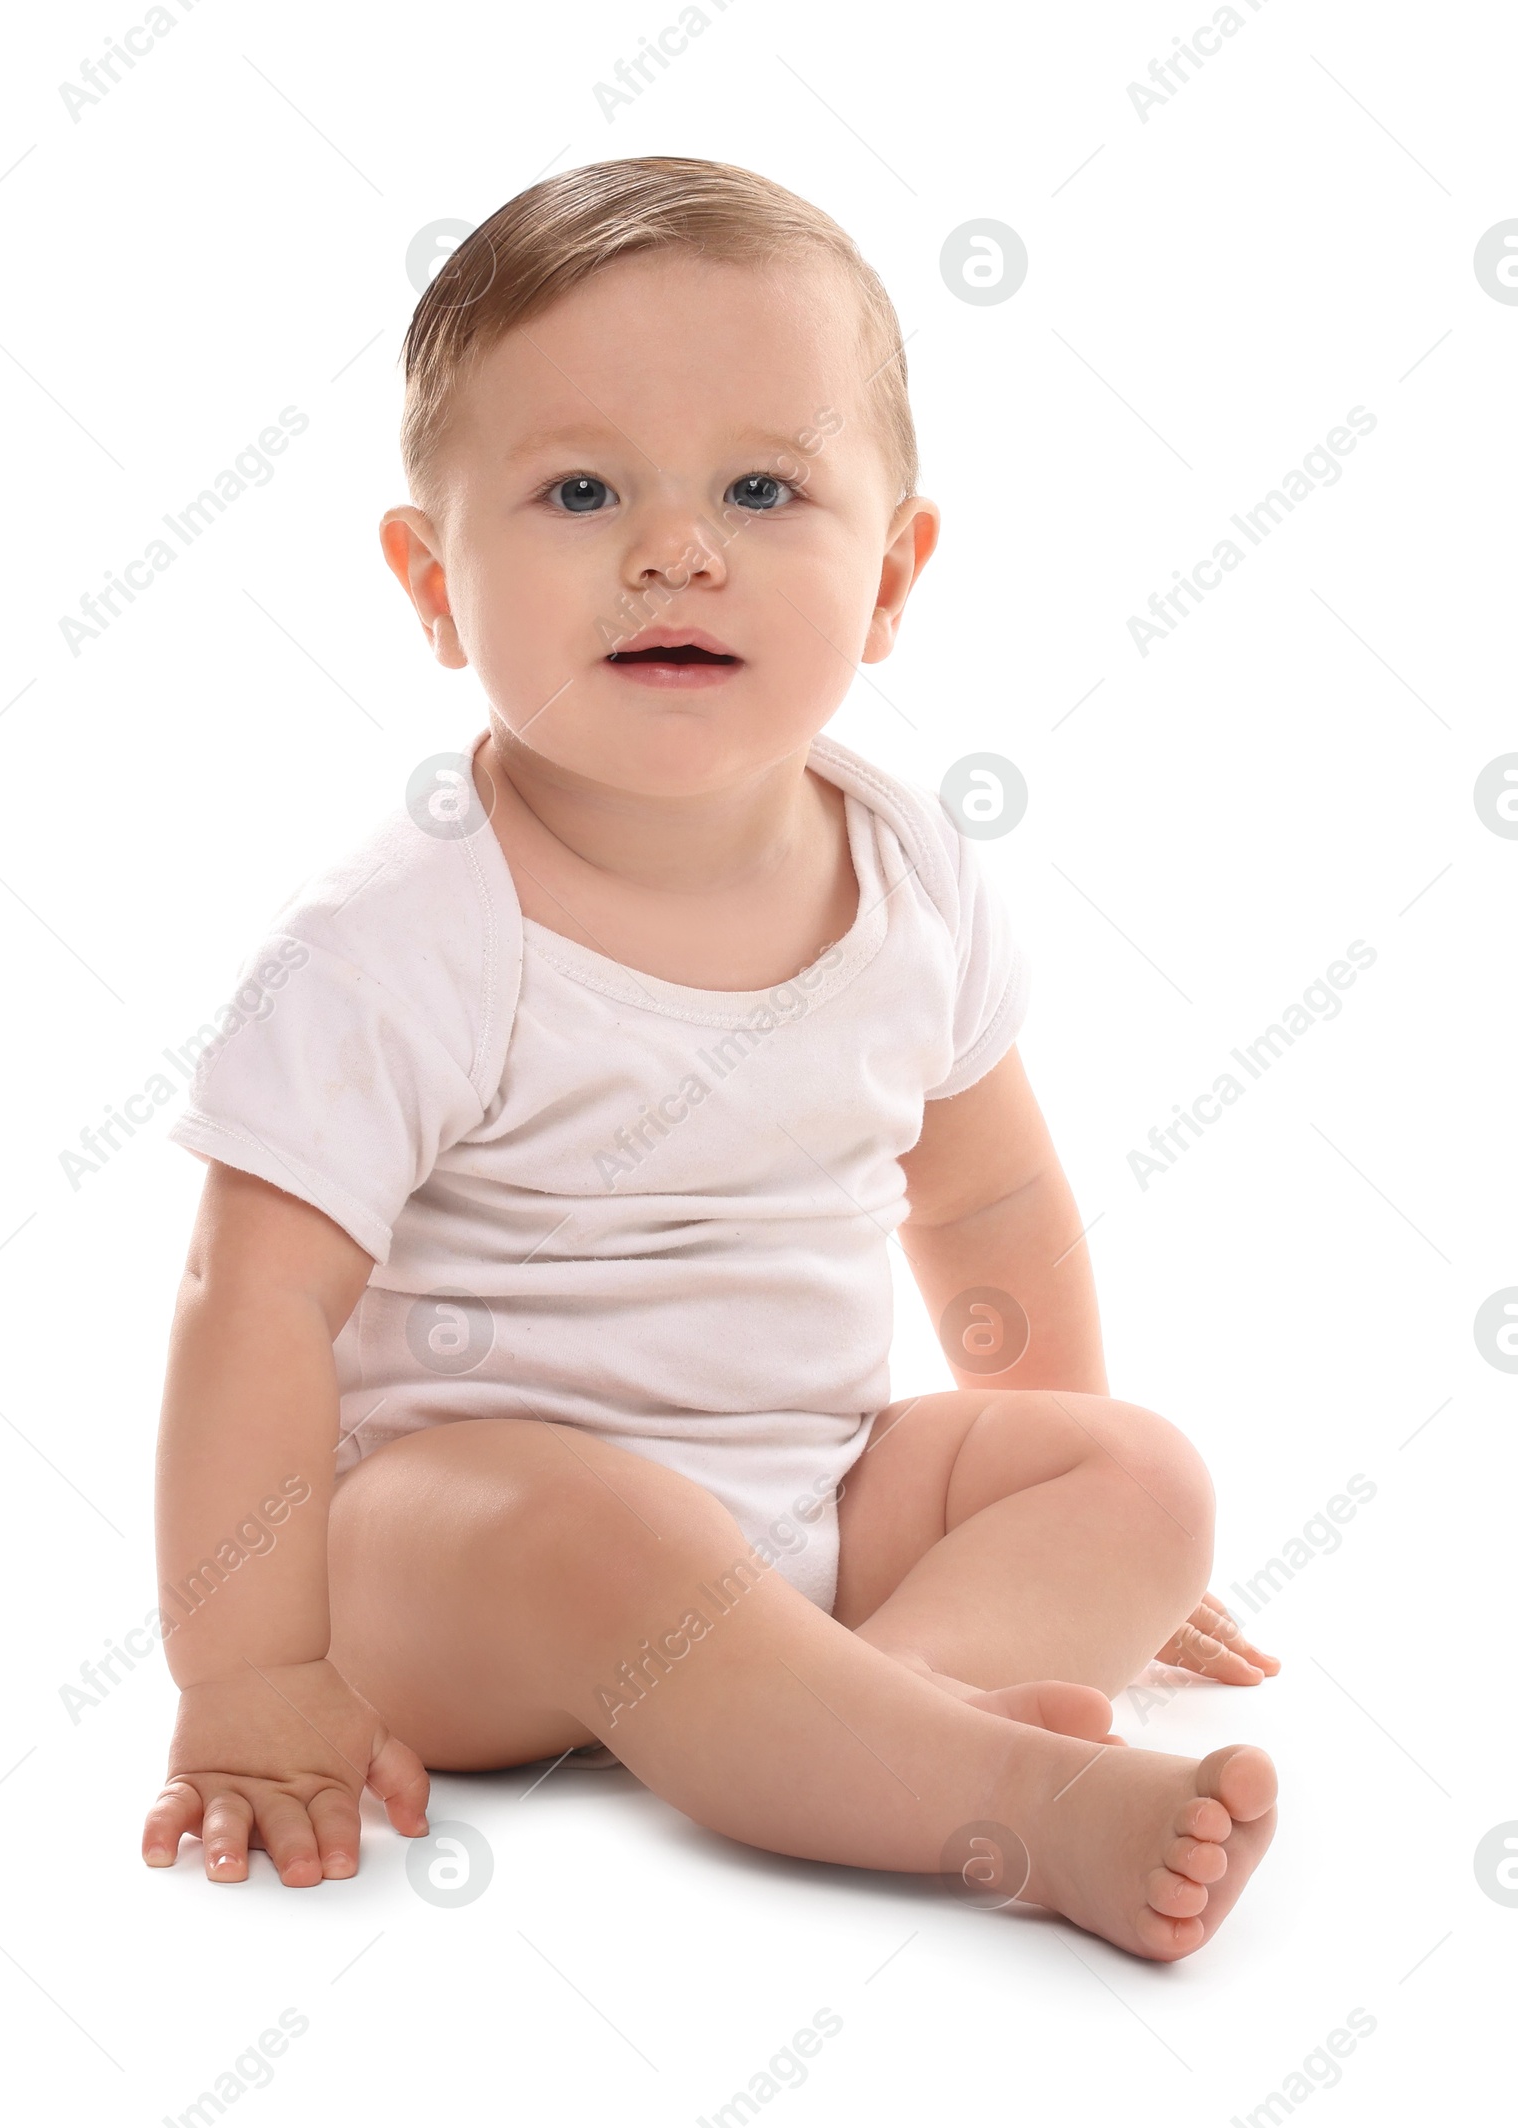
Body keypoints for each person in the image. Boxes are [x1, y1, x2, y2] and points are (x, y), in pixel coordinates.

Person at [142, 156, 1278, 1961]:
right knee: (603, 1524)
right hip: (459, 1557)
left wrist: (1033, 1478)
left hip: (811, 1499)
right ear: (434, 583)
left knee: (1142, 1475)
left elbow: (987, 1201)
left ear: (893, 572)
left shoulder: (911, 872)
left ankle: (876, 1717)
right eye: (582, 489)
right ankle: (1014, 1806)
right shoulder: (405, 933)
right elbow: (252, 1304)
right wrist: (254, 1671)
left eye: (764, 486)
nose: (679, 548)